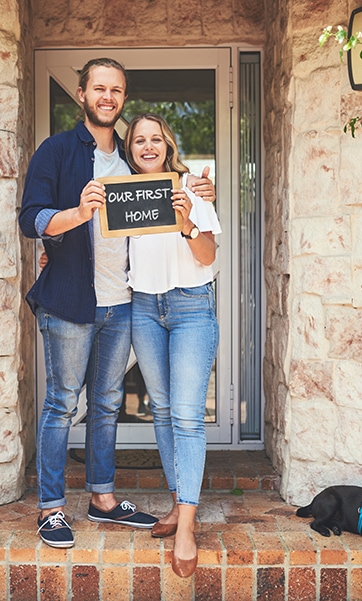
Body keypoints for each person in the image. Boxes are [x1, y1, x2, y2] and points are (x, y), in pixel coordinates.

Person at [18, 58, 214, 549]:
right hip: (69, 299)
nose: (108, 97)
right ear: (82, 93)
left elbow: (174, 210)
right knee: (63, 403)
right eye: (99, 88)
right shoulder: (57, 151)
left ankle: (102, 499)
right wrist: (74, 214)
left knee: (105, 405)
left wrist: (195, 186)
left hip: (124, 303)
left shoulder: (134, 166)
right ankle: (51, 507)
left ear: (123, 98)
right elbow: (30, 218)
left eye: (117, 90)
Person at [124, 113, 221, 578]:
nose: (147, 146)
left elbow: (208, 256)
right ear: (131, 149)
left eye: (155, 139)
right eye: (139, 140)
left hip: (190, 307)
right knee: (161, 411)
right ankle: (177, 505)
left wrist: (187, 224)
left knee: (185, 415)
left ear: (168, 144)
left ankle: (186, 526)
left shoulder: (192, 189)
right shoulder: (121, 194)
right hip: (143, 307)